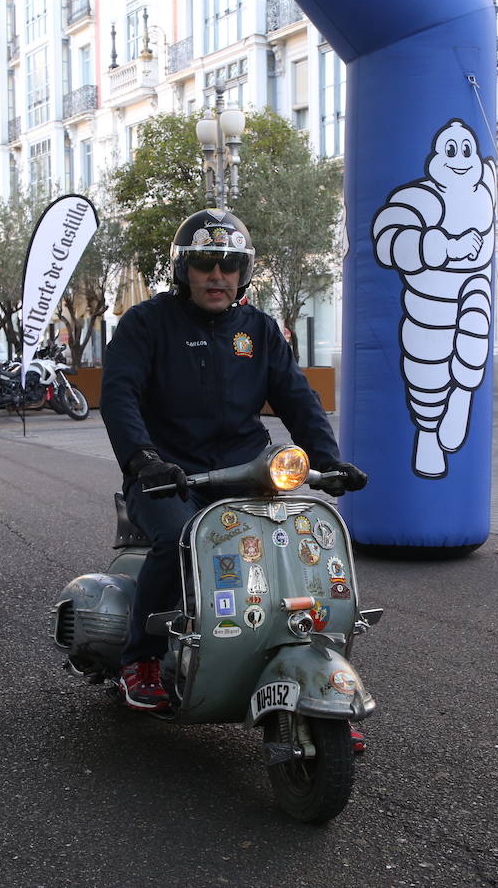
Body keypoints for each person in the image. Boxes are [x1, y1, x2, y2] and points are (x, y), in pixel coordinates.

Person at [100, 208, 368, 715]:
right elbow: (119, 396)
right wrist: (142, 458)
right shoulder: (146, 324)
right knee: (179, 541)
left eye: (228, 265)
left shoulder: (260, 331)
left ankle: (294, 657)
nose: (216, 276)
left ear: (243, 274)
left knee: (296, 542)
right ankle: (141, 659)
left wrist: (329, 463)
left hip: (246, 472)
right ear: (184, 270)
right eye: (204, 264)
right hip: (168, 477)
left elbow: (297, 398)